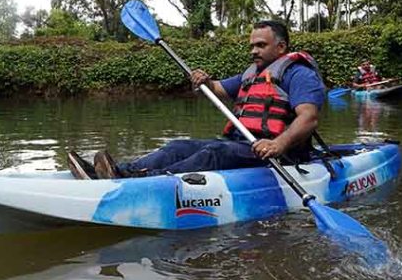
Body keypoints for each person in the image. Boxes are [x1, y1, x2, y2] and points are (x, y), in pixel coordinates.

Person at [67, 20, 326, 180]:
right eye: (252, 45)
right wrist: (204, 80)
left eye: (260, 45)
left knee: (214, 151)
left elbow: (308, 118)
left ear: (281, 48)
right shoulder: (252, 73)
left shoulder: (298, 74)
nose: (253, 51)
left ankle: (141, 180)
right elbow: (218, 89)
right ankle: (120, 170)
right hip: (243, 145)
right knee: (179, 146)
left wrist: (278, 144)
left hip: (280, 153)